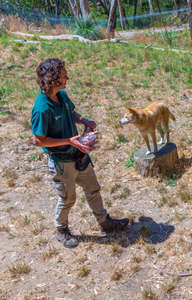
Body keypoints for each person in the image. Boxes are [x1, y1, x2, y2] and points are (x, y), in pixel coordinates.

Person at [31, 58, 129, 248]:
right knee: (68, 198)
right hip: (62, 162)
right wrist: (68, 141)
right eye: (63, 75)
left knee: (93, 188)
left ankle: (105, 222)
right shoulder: (41, 108)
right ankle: (61, 229)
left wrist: (85, 121)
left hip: (79, 154)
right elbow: (38, 140)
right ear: (52, 79)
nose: (68, 77)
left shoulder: (62, 95)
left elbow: (71, 112)